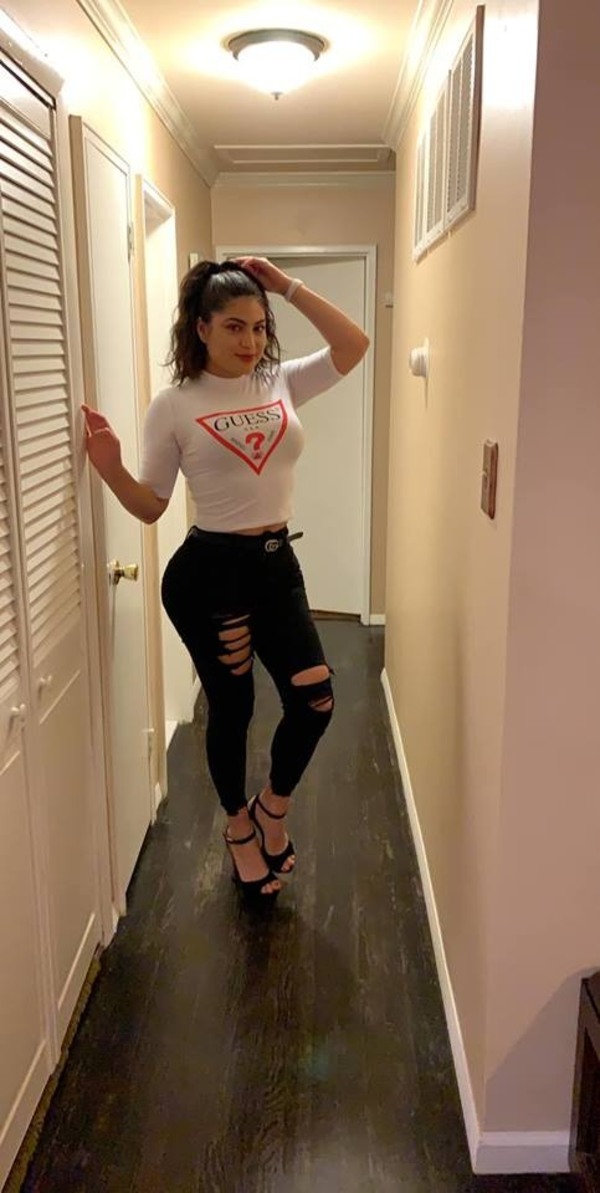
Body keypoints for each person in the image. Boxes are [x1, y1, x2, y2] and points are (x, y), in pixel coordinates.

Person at [82, 256, 369, 900]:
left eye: (259, 327)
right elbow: (152, 506)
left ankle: (272, 806)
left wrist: (286, 286)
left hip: (276, 564)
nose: (250, 341)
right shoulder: (175, 405)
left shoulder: (279, 381)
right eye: (234, 326)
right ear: (202, 327)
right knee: (233, 707)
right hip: (209, 574)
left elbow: (353, 344)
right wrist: (111, 467)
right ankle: (238, 826)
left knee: (315, 699)